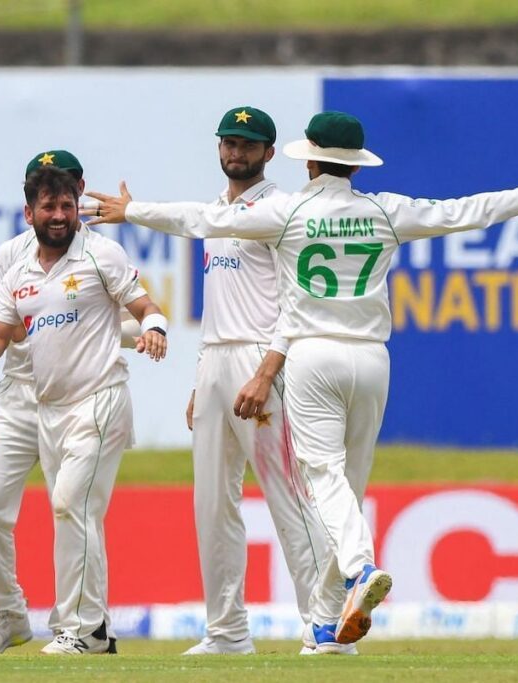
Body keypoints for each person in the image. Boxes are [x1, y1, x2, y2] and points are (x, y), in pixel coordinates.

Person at [85, 110, 518, 650]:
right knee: (344, 486)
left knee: (321, 480)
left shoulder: (287, 211)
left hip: (308, 355)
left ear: (310, 160)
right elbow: (462, 213)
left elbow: (198, 222)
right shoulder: (385, 210)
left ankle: (354, 573)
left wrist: (132, 210)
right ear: (353, 163)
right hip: (371, 357)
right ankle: (318, 622)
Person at [0, 165, 167, 655]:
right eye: (49, 208)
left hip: (98, 399)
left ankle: (78, 629)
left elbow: (142, 305)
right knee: (50, 509)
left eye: (66, 206)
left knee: (70, 505)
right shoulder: (16, 270)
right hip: (42, 405)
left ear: (77, 206)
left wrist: (156, 327)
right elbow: (0, 331)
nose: (59, 216)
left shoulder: (101, 254)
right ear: (29, 212)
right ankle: (83, 629)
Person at [178, 107, 337, 656]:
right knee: (212, 505)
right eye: (229, 142)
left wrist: (267, 371)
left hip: (261, 363)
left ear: (270, 153)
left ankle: (325, 624)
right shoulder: (221, 210)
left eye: (248, 144)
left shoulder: (279, 210)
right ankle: (225, 632)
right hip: (216, 359)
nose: (236, 152)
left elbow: (295, 302)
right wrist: (203, 380)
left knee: (288, 496)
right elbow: (221, 303)